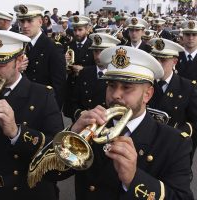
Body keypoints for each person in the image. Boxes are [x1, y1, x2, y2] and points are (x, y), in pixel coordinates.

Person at [30, 46, 193, 200]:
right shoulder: (91, 129)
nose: (116, 94)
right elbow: (46, 174)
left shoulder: (175, 142)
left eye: (126, 88)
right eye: (111, 85)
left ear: (147, 94)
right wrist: (72, 132)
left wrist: (134, 179)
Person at [0, 30, 64, 200]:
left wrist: (16, 133)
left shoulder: (43, 95)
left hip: (24, 192)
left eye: (0, 64)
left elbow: (58, 153)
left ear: (19, 61)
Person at [148, 38, 197, 157]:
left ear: (175, 62)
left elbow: (194, 121)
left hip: (173, 147)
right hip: (146, 144)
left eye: (163, 60)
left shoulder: (187, 87)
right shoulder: (145, 84)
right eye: (155, 59)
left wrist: (178, 133)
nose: (158, 64)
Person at [14, 4, 66, 109]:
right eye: (22, 21)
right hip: (19, 103)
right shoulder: (17, 46)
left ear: (40, 22)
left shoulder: (53, 48)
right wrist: (16, 70)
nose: (25, 25)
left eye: (29, 21)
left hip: (41, 106)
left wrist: (52, 112)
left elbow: (59, 86)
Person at [64, 32, 120, 121]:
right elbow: (72, 102)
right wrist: (80, 113)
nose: (98, 56)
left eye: (102, 52)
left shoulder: (118, 77)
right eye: (95, 51)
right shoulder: (85, 72)